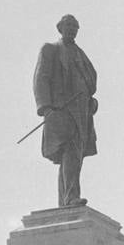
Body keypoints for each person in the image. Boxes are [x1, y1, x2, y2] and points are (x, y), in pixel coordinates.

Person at [33, 14, 98, 208]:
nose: (72, 29)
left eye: (75, 26)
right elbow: (40, 78)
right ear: (60, 27)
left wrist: (92, 102)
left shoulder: (81, 54)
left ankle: (67, 200)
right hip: (62, 110)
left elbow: (89, 82)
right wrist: (45, 108)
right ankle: (70, 198)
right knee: (69, 153)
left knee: (73, 157)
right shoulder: (51, 49)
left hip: (81, 112)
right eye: (68, 25)